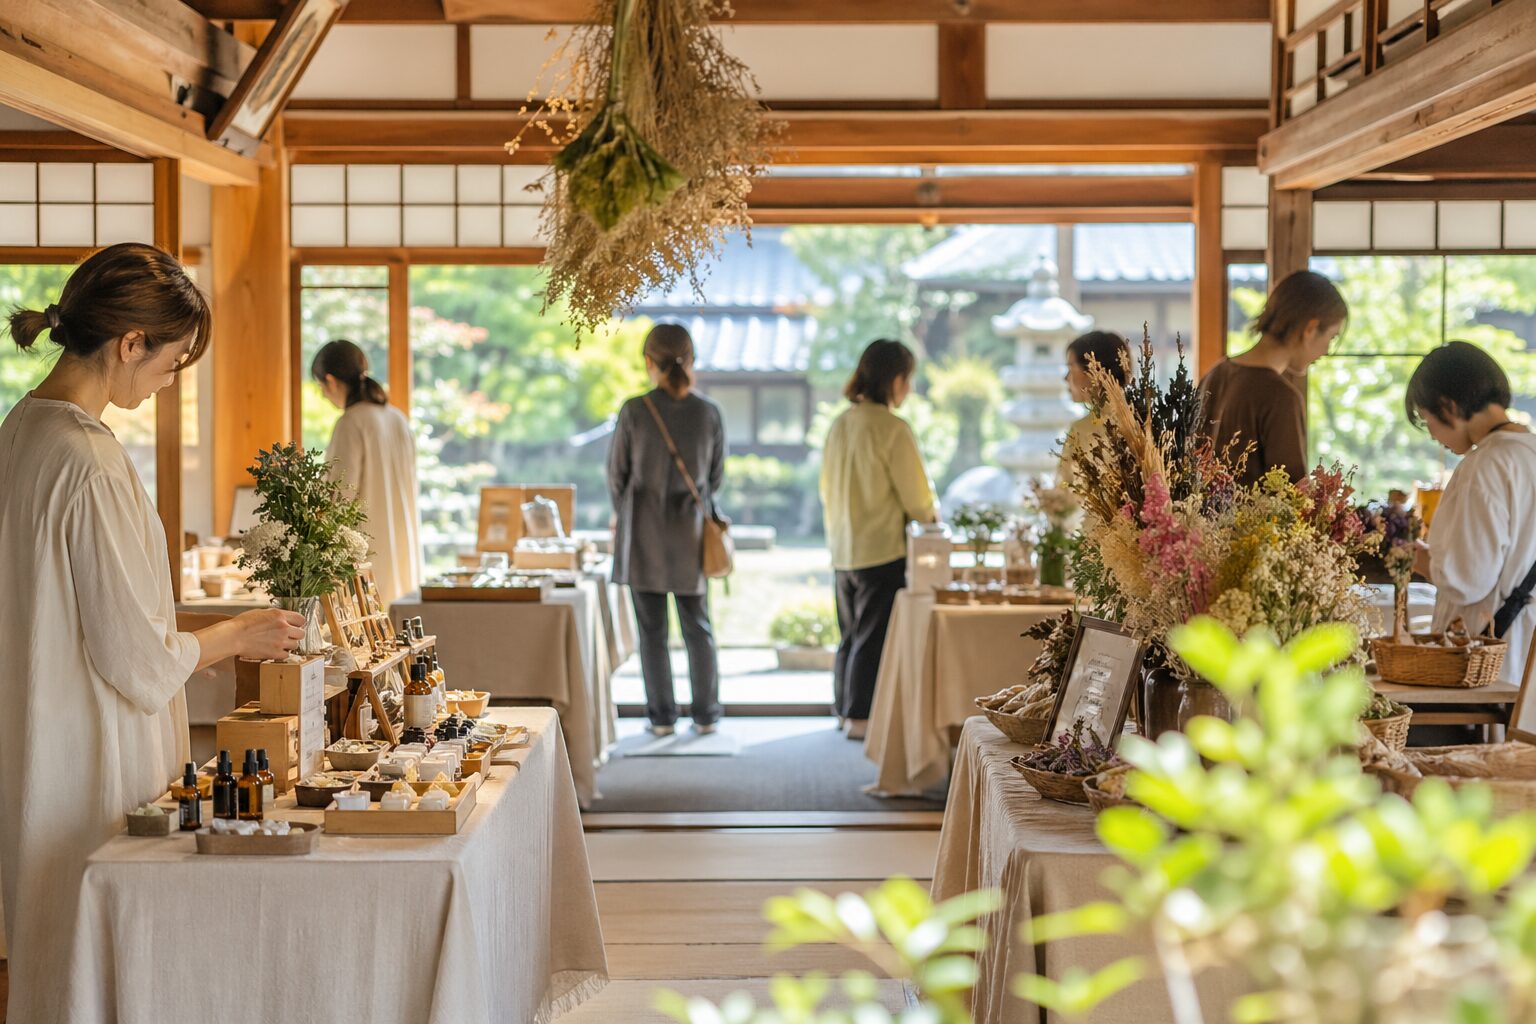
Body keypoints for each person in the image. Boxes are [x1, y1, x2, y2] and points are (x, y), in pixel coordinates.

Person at [0, 243, 305, 1024]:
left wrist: (193, 642)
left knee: (49, 951)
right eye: (172, 362)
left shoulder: (21, 431)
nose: (171, 381)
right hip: (89, 751)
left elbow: (78, 614)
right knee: (105, 962)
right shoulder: (88, 459)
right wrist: (234, 633)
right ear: (131, 343)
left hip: (35, 733)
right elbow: (135, 660)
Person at [608, 324, 726, 737]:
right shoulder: (708, 412)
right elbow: (714, 479)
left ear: (648, 362)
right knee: (698, 628)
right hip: (691, 535)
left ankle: (661, 718)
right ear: (690, 361)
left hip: (643, 536)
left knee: (653, 633)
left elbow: (617, 478)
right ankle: (707, 714)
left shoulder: (635, 410)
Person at [821, 339, 939, 740]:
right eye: (907, 380)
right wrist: (932, 516)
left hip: (842, 548)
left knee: (850, 634)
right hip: (882, 548)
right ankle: (861, 717)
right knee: (872, 639)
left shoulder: (840, 424)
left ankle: (843, 709)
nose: (907, 388)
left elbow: (825, 487)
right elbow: (918, 500)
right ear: (895, 380)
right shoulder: (893, 428)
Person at [1405, 341, 1536, 687]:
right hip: (1526, 655)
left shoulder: (1485, 466)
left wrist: (1412, 557)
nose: (1433, 434)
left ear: (1448, 406)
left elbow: (1468, 579)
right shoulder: (1529, 453)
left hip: (1492, 664)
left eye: (1426, 418)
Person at [1200, 269, 1348, 486]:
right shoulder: (1281, 397)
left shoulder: (1215, 374)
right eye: (1331, 337)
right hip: (1253, 521)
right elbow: (1293, 499)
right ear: (1310, 329)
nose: (1327, 350)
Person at [312, 339, 421, 608]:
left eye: (321, 388)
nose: (325, 396)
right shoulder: (397, 418)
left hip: (367, 557)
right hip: (402, 553)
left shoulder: (351, 422)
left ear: (331, 381)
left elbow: (338, 498)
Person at [1058, 330, 1131, 488]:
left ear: (1093, 370)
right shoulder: (1142, 420)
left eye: (1071, 367)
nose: (1065, 378)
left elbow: (1063, 493)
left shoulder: (1082, 430)